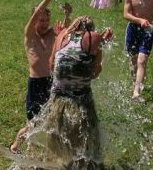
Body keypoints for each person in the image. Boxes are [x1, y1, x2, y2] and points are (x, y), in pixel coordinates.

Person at [17, 16, 105, 170]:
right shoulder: (93, 37)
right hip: (80, 101)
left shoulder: (61, 36)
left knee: (58, 142)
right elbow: (95, 72)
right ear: (90, 29)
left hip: (57, 99)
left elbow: (51, 65)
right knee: (86, 145)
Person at [9, 0, 72, 154]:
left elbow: (66, 31)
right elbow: (37, 12)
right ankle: (15, 146)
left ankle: (57, 151)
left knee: (54, 119)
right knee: (33, 124)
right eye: (40, 20)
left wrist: (67, 15)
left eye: (46, 20)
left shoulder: (52, 34)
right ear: (34, 20)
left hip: (51, 82)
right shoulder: (29, 35)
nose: (44, 23)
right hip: (35, 84)